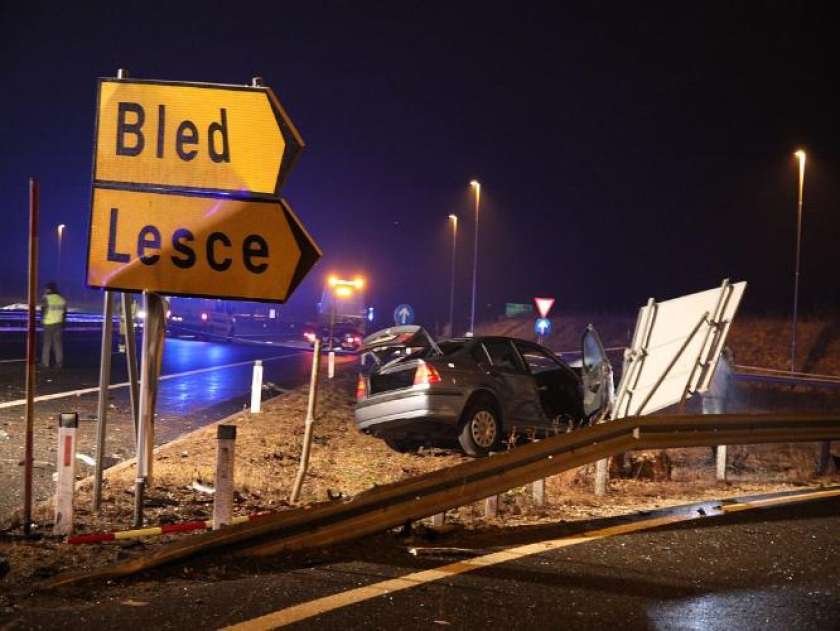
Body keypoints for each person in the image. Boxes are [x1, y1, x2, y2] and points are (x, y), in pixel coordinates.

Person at [41, 282, 67, 369]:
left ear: (49, 289)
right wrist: (63, 323)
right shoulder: (62, 299)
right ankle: (59, 363)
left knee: (47, 344)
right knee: (58, 345)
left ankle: (45, 363)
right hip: (58, 324)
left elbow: (43, 311)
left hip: (48, 323)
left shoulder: (46, 298)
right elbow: (64, 314)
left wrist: (42, 319)